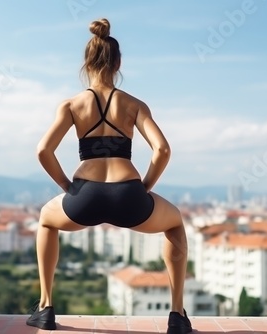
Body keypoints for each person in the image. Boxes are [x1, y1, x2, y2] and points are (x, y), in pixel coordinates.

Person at [26, 18, 193, 334]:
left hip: (83, 194)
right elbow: (163, 150)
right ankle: (177, 315)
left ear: (87, 62)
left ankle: (45, 307)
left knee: (46, 221)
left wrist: (66, 185)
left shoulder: (72, 105)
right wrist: (144, 187)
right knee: (174, 223)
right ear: (118, 63)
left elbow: (42, 151)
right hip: (129, 194)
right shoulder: (134, 104)